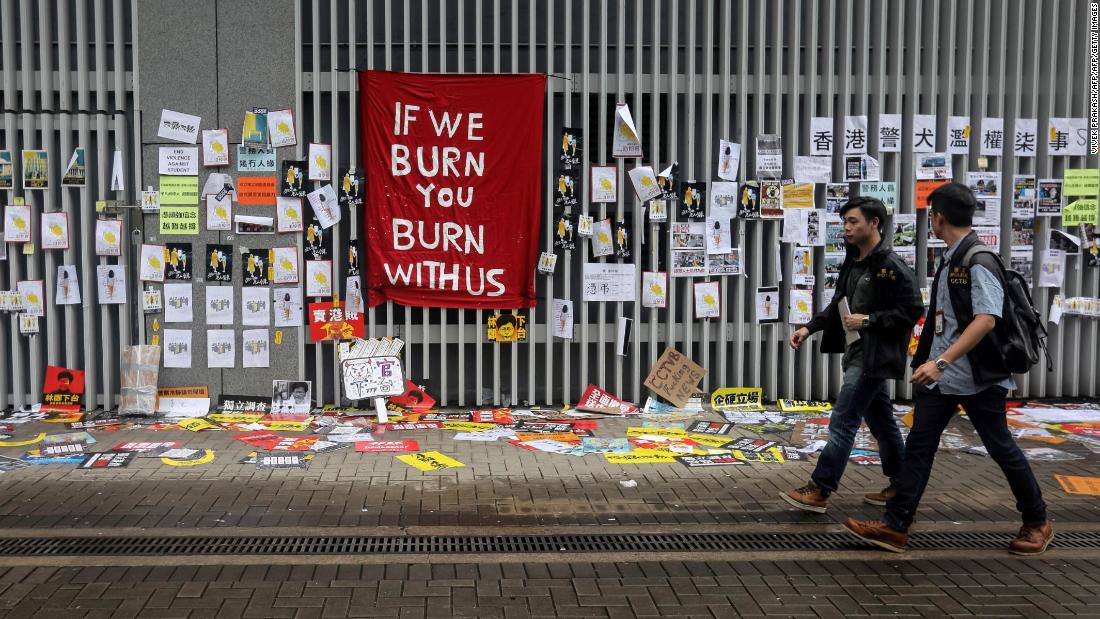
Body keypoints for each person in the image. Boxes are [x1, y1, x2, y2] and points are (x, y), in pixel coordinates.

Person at [844, 182, 1052, 555]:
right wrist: (930, 361)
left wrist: (940, 362)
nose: (930, 223)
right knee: (920, 447)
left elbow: (986, 320)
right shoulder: (953, 257)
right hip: (943, 378)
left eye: (931, 217)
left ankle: (1037, 521)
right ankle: (895, 525)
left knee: (1001, 447)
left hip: (977, 378)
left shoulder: (978, 260)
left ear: (938, 217)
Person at [783, 196, 923, 513]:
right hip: (857, 351)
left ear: (874, 224)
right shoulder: (855, 259)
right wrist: (809, 327)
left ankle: (820, 488)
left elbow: (912, 309)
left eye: (853, 222)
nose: (846, 228)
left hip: (874, 357)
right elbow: (839, 303)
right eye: (845, 222)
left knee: (843, 421)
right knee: (883, 422)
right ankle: (901, 485)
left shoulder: (890, 266)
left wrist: (869, 320)